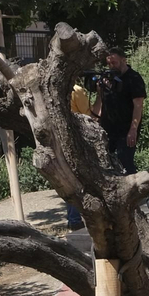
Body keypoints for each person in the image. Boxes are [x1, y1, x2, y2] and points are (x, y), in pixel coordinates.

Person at [93, 48, 146, 174]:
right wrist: (94, 119)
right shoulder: (106, 78)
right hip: (107, 128)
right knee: (106, 164)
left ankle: (132, 191)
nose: (111, 66)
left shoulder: (134, 78)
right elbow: (100, 102)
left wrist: (133, 130)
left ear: (123, 60)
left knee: (125, 163)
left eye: (114, 63)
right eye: (109, 63)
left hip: (126, 129)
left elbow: (138, 106)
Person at [64, 81, 91, 229]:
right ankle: (75, 218)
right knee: (79, 179)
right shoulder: (76, 90)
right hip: (78, 139)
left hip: (60, 139)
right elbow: (88, 115)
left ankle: (72, 217)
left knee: (68, 179)